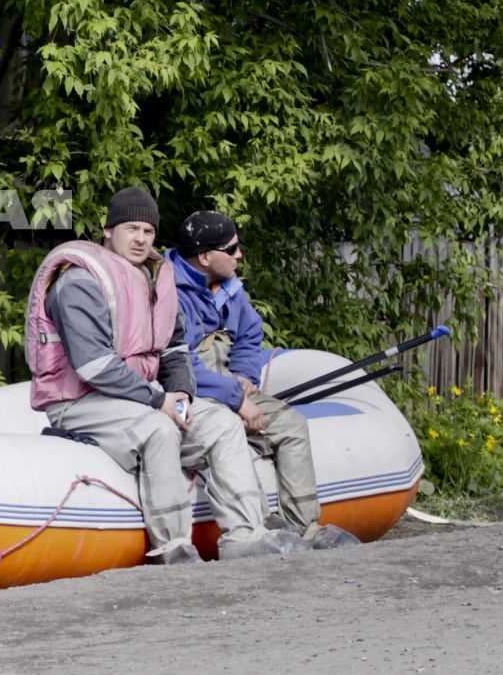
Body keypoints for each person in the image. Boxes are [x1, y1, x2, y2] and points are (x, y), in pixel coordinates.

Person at [25, 186, 304, 564]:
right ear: (108, 230)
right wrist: (159, 402)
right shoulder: (79, 281)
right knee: (159, 429)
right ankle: (173, 548)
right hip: (79, 401)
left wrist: (181, 395)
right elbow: (94, 367)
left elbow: (174, 348)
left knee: (222, 422)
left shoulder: (155, 275)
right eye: (131, 228)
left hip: (140, 396)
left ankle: (244, 537)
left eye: (149, 231)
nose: (141, 238)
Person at [169, 211, 360, 550]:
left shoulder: (228, 288)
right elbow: (181, 365)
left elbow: (250, 332)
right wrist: (236, 398)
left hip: (228, 387)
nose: (239, 255)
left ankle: (304, 527)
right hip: (192, 396)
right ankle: (251, 530)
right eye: (232, 248)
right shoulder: (170, 293)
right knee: (227, 430)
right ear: (204, 256)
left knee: (292, 425)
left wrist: (244, 376)